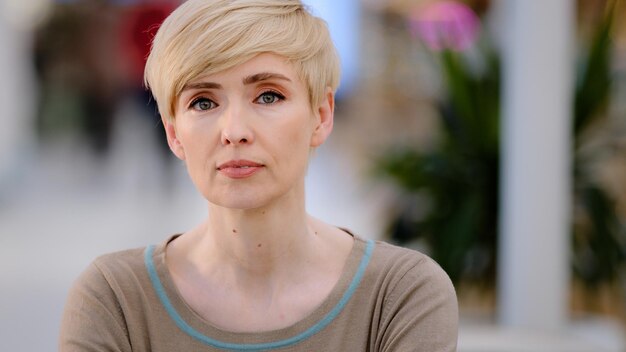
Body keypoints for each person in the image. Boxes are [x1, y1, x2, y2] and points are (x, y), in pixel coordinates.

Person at [58, 0, 458, 351]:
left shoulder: (400, 296)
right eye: (203, 101)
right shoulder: (115, 301)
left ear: (321, 115)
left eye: (268, 96)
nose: (234, 131)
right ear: (174, 132)